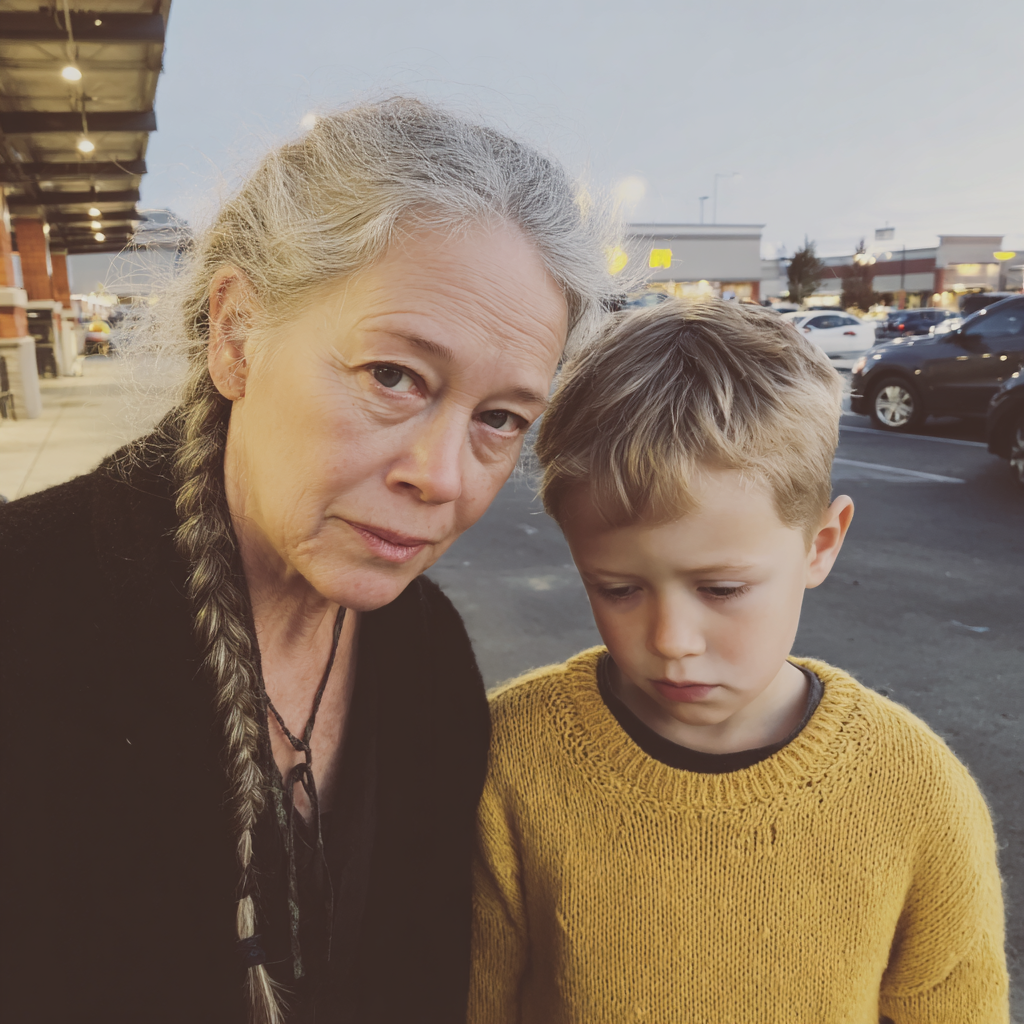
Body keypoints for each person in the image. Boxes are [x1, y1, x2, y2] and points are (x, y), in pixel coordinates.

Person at [0, 98, 615, 1024]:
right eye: (393, 377)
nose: (442, 477)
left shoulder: (429, 661)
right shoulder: (24, 613)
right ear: (237, 332)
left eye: (500, 420)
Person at [468, 300, 1009, 1022]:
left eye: (721, 589)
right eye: (618, 589)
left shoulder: (915, 789)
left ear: (820, 545)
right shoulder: (509, 758)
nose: (672, 640)